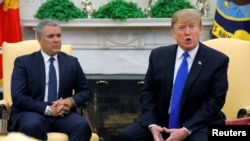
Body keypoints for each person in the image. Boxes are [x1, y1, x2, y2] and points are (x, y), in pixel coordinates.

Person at [120, 9, 229, 141]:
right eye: (182, 28)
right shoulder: (158, 56)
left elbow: (215, 101)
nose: (187, 32)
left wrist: (186, 129)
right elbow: (148, 93)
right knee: (128, 135)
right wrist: (152, 124)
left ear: (200, 30)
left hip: (198, 124)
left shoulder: (217, 60)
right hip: (162, 122)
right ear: (173, 33)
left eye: (192, 27)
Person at [8, 19, 92, 141]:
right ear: (39, 39)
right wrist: (48, 109)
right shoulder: (24, 62)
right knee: (32, 126)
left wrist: (70, 101)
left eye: (58, 35)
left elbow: (85, 91)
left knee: (82, 126)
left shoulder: (71, 62)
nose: (56, 40)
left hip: (63, 114)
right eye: (51, 36)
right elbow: (19, 97)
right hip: (33, 113)